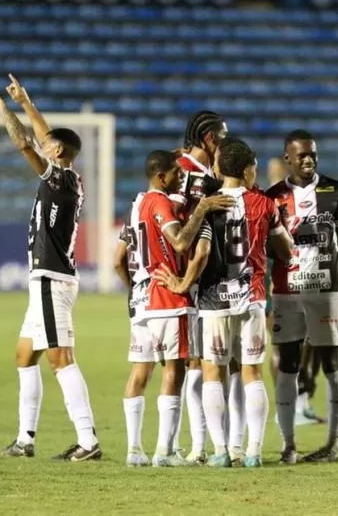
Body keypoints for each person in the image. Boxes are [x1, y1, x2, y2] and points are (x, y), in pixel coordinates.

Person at [0, 73, 100, 462]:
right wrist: (26, 102)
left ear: (59, 151)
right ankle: (25, 440)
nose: (43, 144)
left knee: (60, 358)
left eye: (50, 144)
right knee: (24, 355)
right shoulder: (67, 175)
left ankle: (88, 440)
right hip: (46, 279)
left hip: (51, 278)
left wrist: (1, 105)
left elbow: (24, 143)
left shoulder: (61, 178)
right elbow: (43, 137)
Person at [159, 139, 294, 468]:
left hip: (213, 300)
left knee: (212, 372)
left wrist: (182, 283)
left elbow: (201, 253)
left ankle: (219, 450)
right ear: (248, 170)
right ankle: (253, 452)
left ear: (219, 169)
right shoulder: (264, 204)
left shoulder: (209, 206)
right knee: (251, 372)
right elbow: (287, 251)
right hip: (253, 298)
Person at [113, 151, 233, 467]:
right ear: (162, 176)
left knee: (140, 372)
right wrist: (204, 207)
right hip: (169, 298)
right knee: (175, 370)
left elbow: (117, 259)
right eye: (176, 175)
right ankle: (164, 452)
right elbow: (180, 242)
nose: (181, 180)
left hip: (144, 298)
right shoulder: (160, 203)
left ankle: (135, 450)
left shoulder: (137, 206)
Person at [266, 129, 338, 464]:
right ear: (288, 157)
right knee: (287, 367)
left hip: (328, 290)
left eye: (312, 154)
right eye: (301, 155)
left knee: (332, 364)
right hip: (287, 293)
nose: (308, 159)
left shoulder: (334, 190)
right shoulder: (272, 196)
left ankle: (333, 444)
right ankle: (288, 445)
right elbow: (268, 250)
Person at [169, 110, 234, 465]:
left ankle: (197, 447)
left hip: (201, 278)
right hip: (186, 280)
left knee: (199, 364)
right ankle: (193, 447)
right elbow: (174, 225)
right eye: (222, 135)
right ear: (209, 138)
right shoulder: (184, 171)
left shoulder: (206, 174)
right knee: (190, 364)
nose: (227, 140)